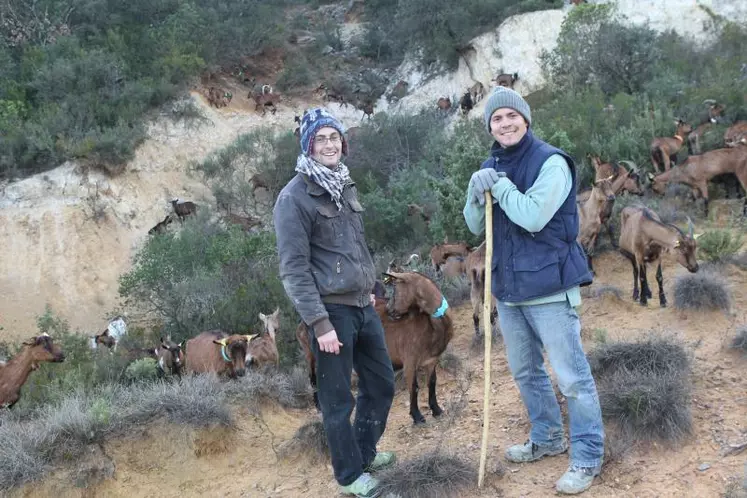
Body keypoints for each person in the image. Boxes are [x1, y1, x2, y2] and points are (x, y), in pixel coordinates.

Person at [463, 87, 605, 495]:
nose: (505, 124)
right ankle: (547, 438)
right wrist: (476, 189)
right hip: (508, 292)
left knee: (572, 378)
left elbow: (532, 217)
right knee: (526, 372)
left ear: (526, 119)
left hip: (549, 291)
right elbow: (475, 225)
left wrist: (500, 186)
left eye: (512, 116)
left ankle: (587, 455)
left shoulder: (552, 162)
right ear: (489, 126)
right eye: (496, 119)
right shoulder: (492, 163)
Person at [273, 107, 395, 498]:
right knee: (337, 399)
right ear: (309, 145)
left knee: (380, 383)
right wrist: (319, 323)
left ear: (344, 142)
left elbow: (356, 246)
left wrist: (374, 285)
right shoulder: (293, 198)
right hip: (331, 313)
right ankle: (348, 477)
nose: (329, 144)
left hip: (362, 305)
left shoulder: (344, 186)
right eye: (320, 139)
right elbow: (293, 269)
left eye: (334, 137)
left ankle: (363, 453)